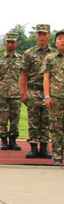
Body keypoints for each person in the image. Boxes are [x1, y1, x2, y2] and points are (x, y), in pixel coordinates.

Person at [21, 24, 52, 159]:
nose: (42, 37)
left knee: (46, 121)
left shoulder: (54, 53)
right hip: (33, 91)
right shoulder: (29, 53)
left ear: (49, 36)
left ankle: (44, 148)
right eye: (39, 34)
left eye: (44, 34)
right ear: (36, 36)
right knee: (33, 121)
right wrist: (23, 92)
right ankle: (33, 147)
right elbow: (23, 74)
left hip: (48, 92)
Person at [0, 32, 23, 150]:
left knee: (15, 118)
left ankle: (13, 141)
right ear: (4, 43)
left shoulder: (20, 59)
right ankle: (3, 141)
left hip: (16, 93)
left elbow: (24, 76)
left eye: (13, 42)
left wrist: (23, 91)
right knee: (3, 118)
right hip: (3, 93)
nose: (10, 44)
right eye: (8, 42)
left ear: (16, 43)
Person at [42, 29, 64, 166]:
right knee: (56, 128)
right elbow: (46, 77)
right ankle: (57, 155)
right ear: (55, 42)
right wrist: (47, 96)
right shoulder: (50, 58)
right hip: (55, 98)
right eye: (60, 38)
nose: (63, 41)